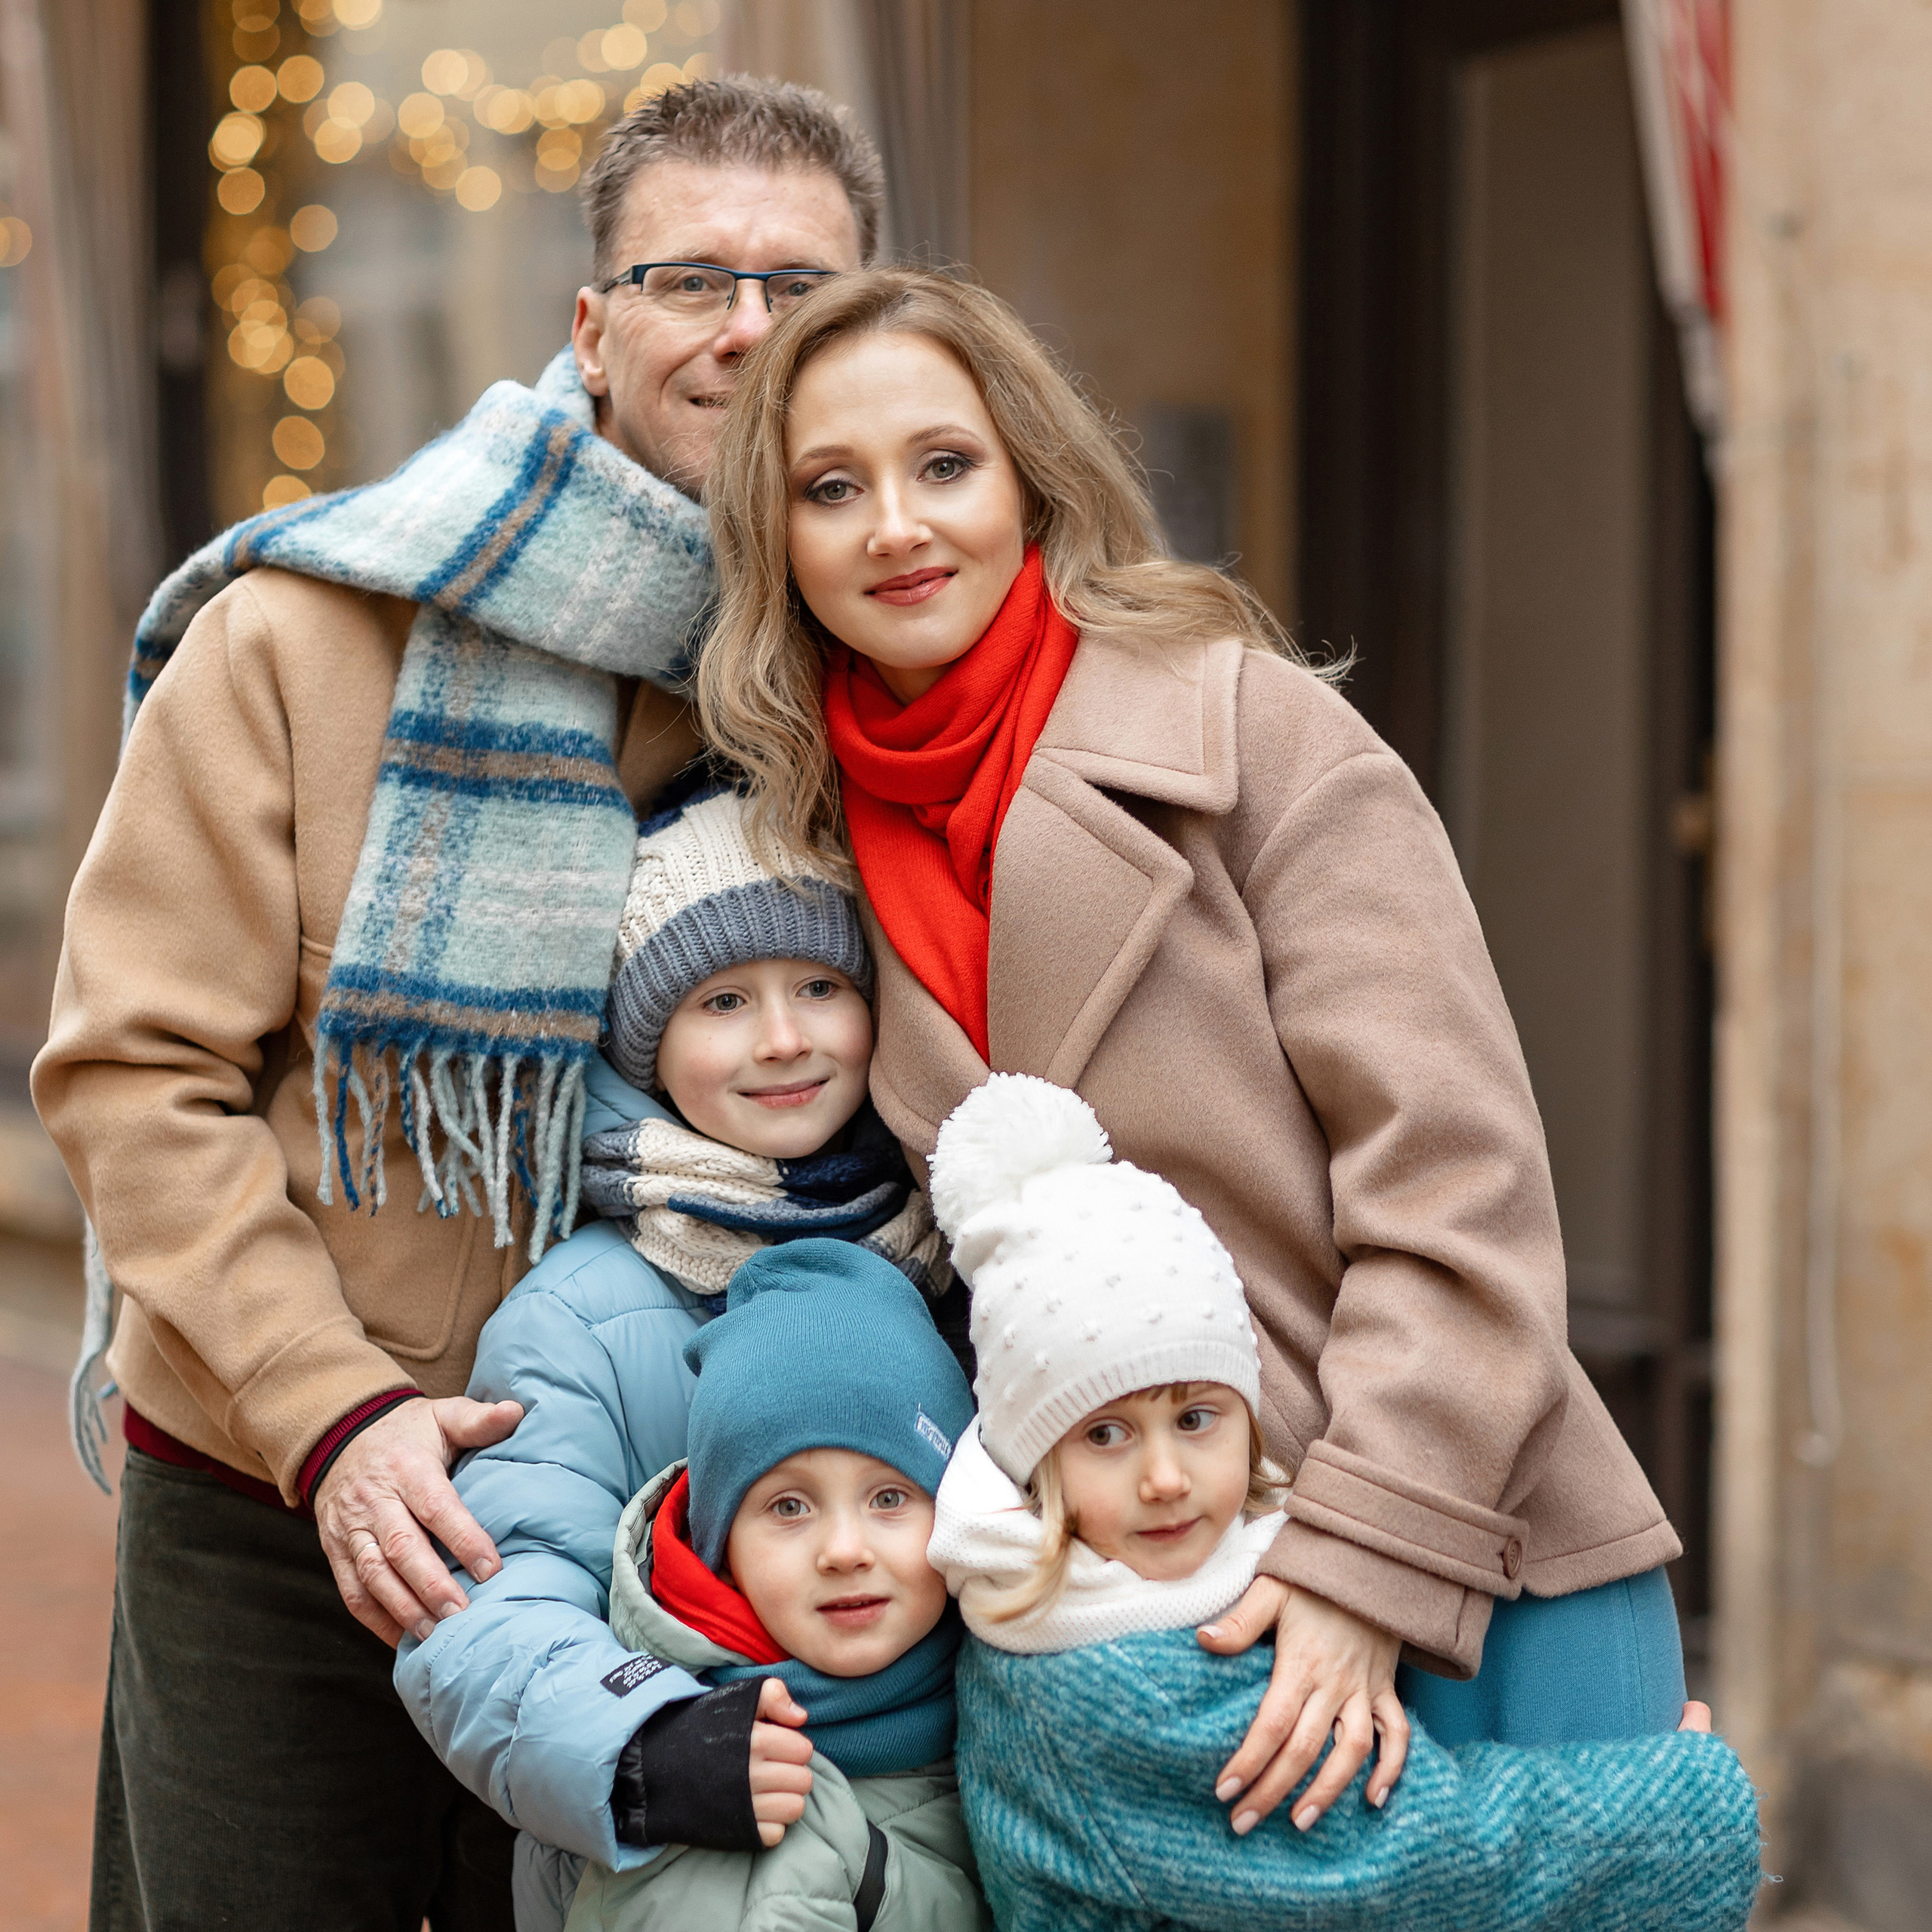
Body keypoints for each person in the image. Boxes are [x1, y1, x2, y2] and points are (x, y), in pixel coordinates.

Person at [32, 76, 881, 1930]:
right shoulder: (311, 628)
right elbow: (131, 1068)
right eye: (688, 277)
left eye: (800, 290)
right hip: (288, 1486)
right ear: (591, 327)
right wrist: (330, 1415)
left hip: (681, 1522)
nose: (745, 328)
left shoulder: (875, 660)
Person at [695, 266, 1688, 1837]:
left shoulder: (1253, 734)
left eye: (942, 465)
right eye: (832, 487)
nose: (895, 525)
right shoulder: (798, 858)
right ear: (778, 541)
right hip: (1133, 1629)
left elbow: (1458, 1184)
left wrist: (1365, 1561)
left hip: (1460, 1558)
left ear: (1028, 477)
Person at [921, 1075, 1761, 1932]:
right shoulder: (1101, 1683)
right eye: (1106, 1435)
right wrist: (1674, 1811)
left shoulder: (1124, 1599)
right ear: (1035, 1461)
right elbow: (1398, 1861)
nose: (1165, 1476)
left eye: (1197, 1416)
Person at [395, 777, 968, 1916]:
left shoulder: (948, 1250)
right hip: (687, 1866)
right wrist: (644, 1744)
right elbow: (489, 1616)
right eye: (722, 1002)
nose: (786, 1037)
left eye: (821, 985)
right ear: (649, 1043)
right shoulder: (579, 1319)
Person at [549, 1238, 989, 1931]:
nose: (845, 1551)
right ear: (721, 1547)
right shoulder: (632, 1745)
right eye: (789, 1507)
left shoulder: (1019, 1720)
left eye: (889, 1498)